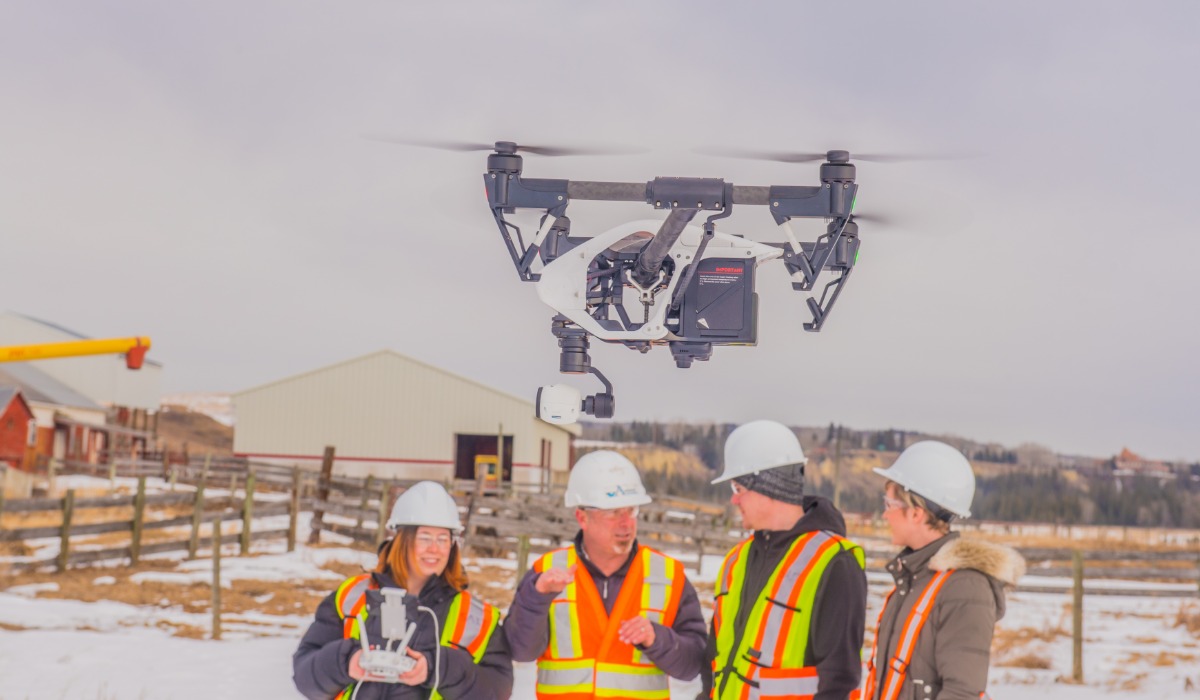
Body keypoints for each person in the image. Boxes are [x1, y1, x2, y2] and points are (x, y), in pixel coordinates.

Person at [505, 450, 708, 699]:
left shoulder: (668, 576)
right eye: (612, 512)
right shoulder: (546, 573)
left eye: (631, 510)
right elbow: (520, 650)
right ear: (582, 517)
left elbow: (693, 665)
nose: (626, 523)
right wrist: (537, 598)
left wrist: (657, 638)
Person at [293, 481, 513, 700]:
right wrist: (346, 662)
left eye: (443, 539)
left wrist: (438, 668)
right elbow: (305, 675)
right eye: (424, 537)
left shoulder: (477, 618)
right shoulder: (353, 595)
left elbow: (497, 692)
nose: (434, 549)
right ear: (402, 540)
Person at [707, 419, 867, 700]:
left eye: (737, 489)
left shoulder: (835, 563)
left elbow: (839, 681)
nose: (734, 501)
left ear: (768, 487)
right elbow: (712, 660)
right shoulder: (737, 560)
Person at [863, 441, 1025, 700]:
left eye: (889, 504)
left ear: (916, 513)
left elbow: (962, 692)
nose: (884, 515)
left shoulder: (965, 588)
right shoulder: (913, 579)